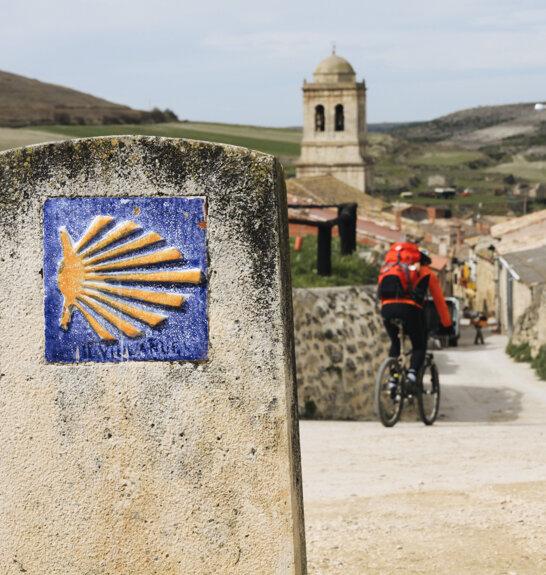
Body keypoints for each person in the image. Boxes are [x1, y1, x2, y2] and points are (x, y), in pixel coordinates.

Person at [377, 242, 453, 391]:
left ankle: (393, 379)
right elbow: (439, 301)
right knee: (419, 345)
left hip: (387, 309)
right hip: (409, 310)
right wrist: (447, 325)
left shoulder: (389, 268)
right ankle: (412, 375)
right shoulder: (425, 272)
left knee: (395, 343)